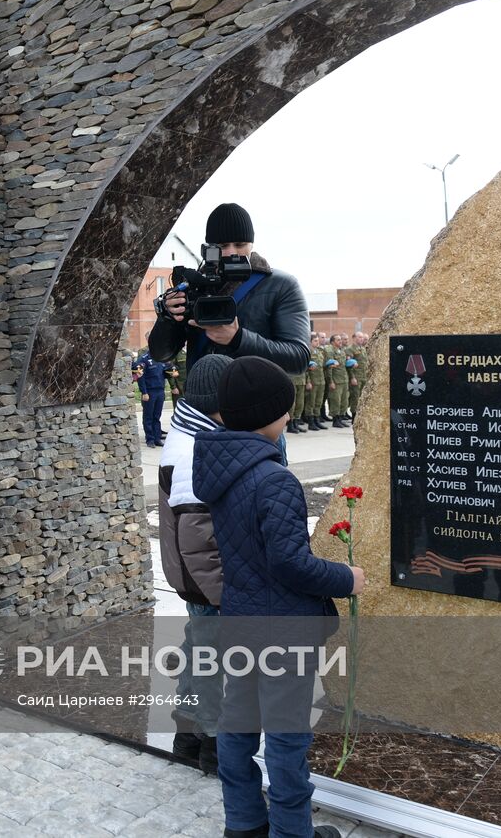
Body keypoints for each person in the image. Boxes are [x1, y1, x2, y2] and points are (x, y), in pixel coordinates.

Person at [193, 356, 364, 838]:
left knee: (238, 725)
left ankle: (244, 823)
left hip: (242, 620)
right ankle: (292, 831)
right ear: (268, 414)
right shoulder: (275, 480)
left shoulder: (220, 472)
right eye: (285, 410)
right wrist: (345, 577)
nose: (290, 417)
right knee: (288, 738)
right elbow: (290, 564)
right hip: (284, 629)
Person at [156, 354, 233, 776]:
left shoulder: (194, 430)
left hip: (193, 575)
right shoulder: (196, 448)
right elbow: (198, 538)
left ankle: (186, 734)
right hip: (205, 579)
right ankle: (214, 743)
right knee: (211, 656)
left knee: (198, 646)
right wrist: (224, 594)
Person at [148, 203, 310, 375]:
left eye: (240, 244)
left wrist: (239, 339)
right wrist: (168, 317)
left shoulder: (281, 285)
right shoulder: (194, 286)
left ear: (251, 245)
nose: (232, 253)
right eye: (223, 246)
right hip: (200, 398)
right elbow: (161, 354)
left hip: (255, 398)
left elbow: (298, 359)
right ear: (209, 248)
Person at [133, 348, 169, 446]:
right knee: (148, 417)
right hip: (150, 392)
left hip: (160, 391)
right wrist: (144, 392)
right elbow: (141, 377)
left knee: (157, 416)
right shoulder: (143, 359)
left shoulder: (161, 358)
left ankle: (157, 438)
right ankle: (150, 439)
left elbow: (165, 373)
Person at [302, 333, 327, 432]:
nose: (317, 342)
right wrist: (308, 381)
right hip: (313, 381)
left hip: (321, 380)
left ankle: (317, 420)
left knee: (318, 402)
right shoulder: (308, 352)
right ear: (310, 342)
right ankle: (311, 422)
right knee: (311, 402)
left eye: (317, 340)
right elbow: (305, 369)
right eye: (315, 341)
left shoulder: (319, 352)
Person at [326, 333, 351, 427]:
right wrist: (331, 381)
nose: (340, 341)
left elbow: (344, 366)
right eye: (338, 340)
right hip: (336, 380)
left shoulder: (341, 351)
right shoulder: (330, 352)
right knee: (335, 401)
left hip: (344, 379)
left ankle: (340, 418)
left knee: (344, 401)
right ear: (332, 342)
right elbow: (329, 368)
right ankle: (335, 420)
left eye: (341, 339)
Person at [347, 331, 369, 419]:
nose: (361, 339)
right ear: (354, 338)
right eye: (359, 337)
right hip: (356, 377)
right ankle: (354, 417)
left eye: (362, 337)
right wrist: (352, 377)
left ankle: (360, 416)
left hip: (363, 377)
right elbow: (349, 365)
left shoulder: (362, 349)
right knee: (355, 397)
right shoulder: (350, 349)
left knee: (362, 397)